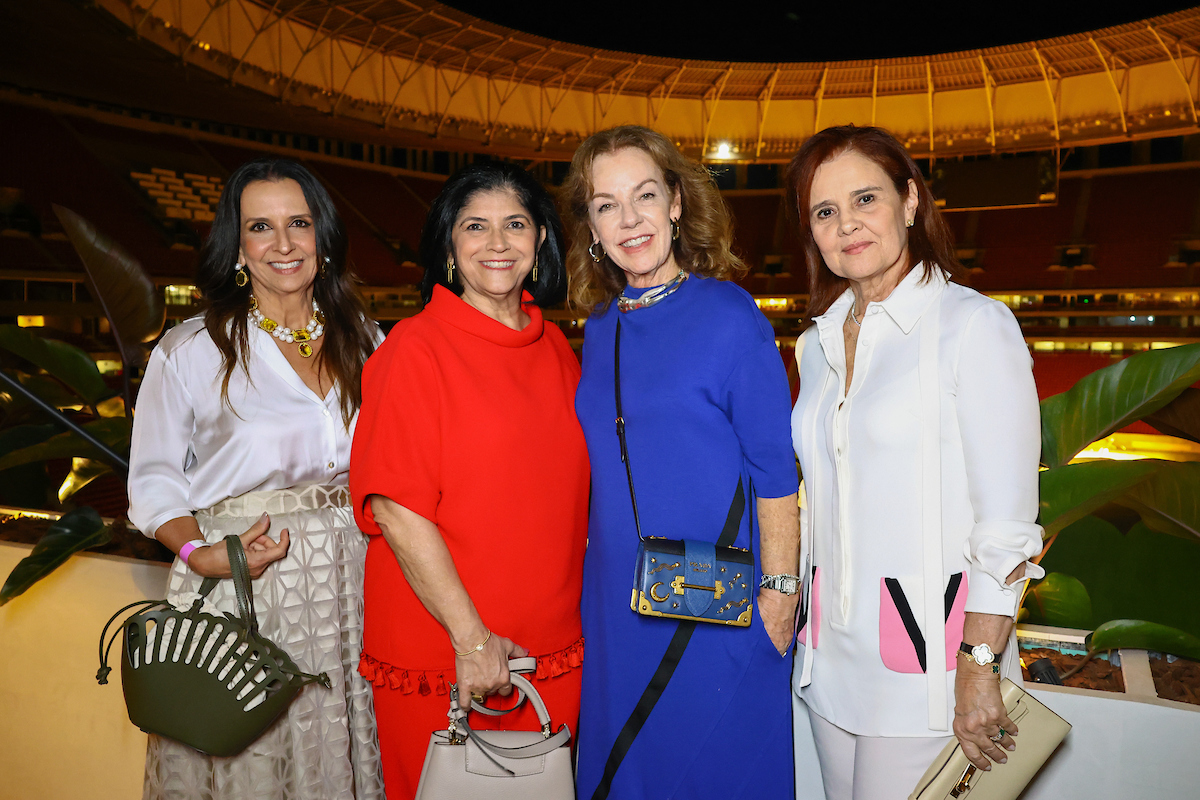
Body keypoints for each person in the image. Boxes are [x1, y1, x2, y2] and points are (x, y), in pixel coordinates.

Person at [787, 125, 1044, 800]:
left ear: (908, 201)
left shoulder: (973, 325)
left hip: (930, 670)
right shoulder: (815, 346)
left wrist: (980, 667)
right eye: (825, 211)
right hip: (827, 666)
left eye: (864, 199)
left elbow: (1007, 526)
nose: (847, 225)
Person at [127, 157, 386, 799]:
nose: (284, 244)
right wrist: (200, 553)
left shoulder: (370, 341)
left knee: (345, 750)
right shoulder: (191, 350)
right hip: (245, 582)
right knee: (253, 759)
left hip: (355, 582)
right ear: (237, 246)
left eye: (299, 223)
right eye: (260, 227)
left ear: (322, 237)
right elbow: (153, 481)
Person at [565, 125, 802, 800]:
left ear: (675, 202)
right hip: (618, 601)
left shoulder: (731, 314)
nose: (629, 218)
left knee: (719, 769)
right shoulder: (599, 326)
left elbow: (774, 468)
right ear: (591, 225)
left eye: (644, 195)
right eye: (606, 204)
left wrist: (781, 592)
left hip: (717, 595)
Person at [348, 162, 589, 799]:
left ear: (541, 240)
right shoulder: (413, 348)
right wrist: (473, 638)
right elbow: (396, 508)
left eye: (515, 224)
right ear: (449, 247)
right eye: (475, 227)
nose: (498, 243)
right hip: (452, 647)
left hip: (554, 644)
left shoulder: (557, 350)